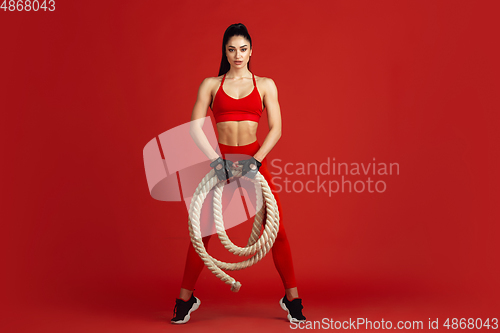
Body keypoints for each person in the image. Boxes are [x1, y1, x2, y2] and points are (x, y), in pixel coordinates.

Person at [171, 23, 306, 324]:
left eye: (243, 49)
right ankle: (184, 299)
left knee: (277, 231)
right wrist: (216, 162)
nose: (237, 55)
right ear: (225, 51)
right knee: (202, 233)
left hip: (253, 162)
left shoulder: (266, 84)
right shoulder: (211, 84)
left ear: (251, 51)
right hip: (221, 166)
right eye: (231, 49)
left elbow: (277, 129)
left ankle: (292, 298)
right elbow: (194, 128)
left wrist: (256, 161)